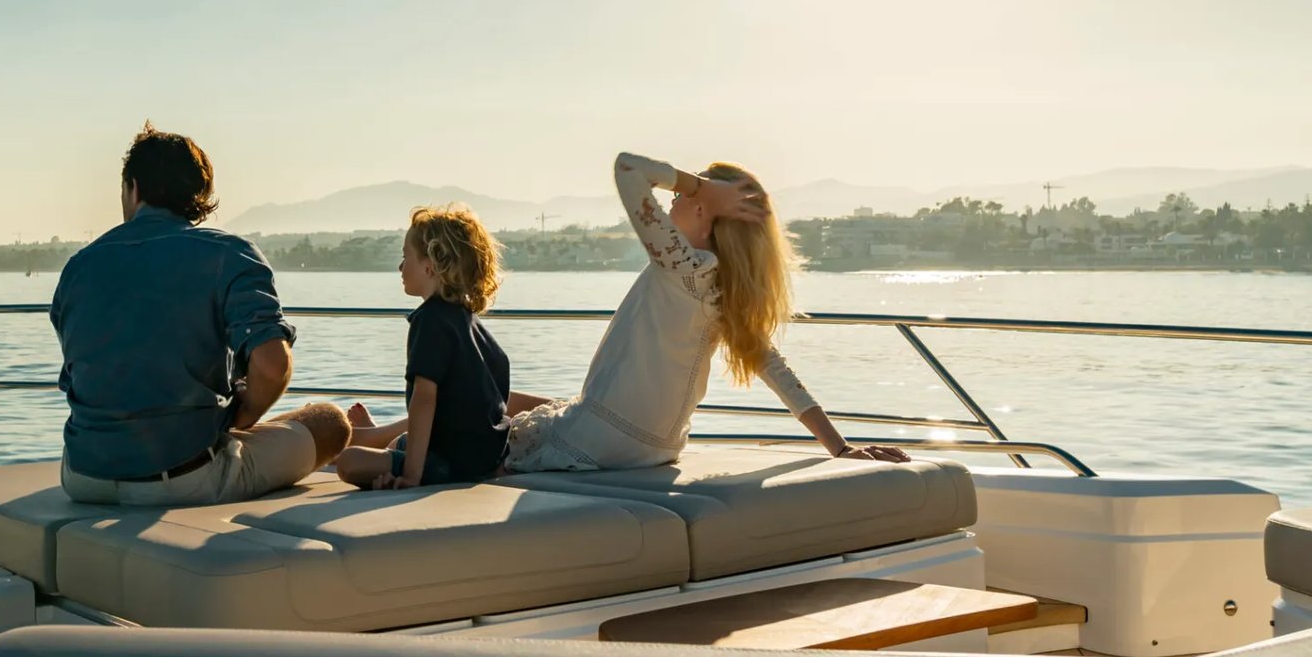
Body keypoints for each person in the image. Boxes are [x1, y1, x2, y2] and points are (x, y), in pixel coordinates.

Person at [501, 152, 908, 473]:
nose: (672, 199)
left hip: (600, 442)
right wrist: (838, 446)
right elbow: (774, 367)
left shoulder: (682, 264)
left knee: (484, 405)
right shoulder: (724, 286)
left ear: (701, 210)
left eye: (679, 196)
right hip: (657, 447)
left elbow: (628, 167)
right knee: (520, 400)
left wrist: (700, 186)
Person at [49, 123, 351, 506]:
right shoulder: (229, 255)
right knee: (329, 422)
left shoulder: (79, 267)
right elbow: (272, 366)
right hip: (185, 478)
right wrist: (245, 412)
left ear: (133, 188)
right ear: (200, 195)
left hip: (82, 476)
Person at [335, 205, 511, 489]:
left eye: (406, 257)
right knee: (396, 443)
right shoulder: (470, 325)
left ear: (430, 266)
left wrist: (412, 475)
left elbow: (424, 397)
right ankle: (389, 450)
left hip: (452, 464)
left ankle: (399, 465)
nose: (400, 267)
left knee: (348, 462)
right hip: (484, 458)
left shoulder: (430, 320)